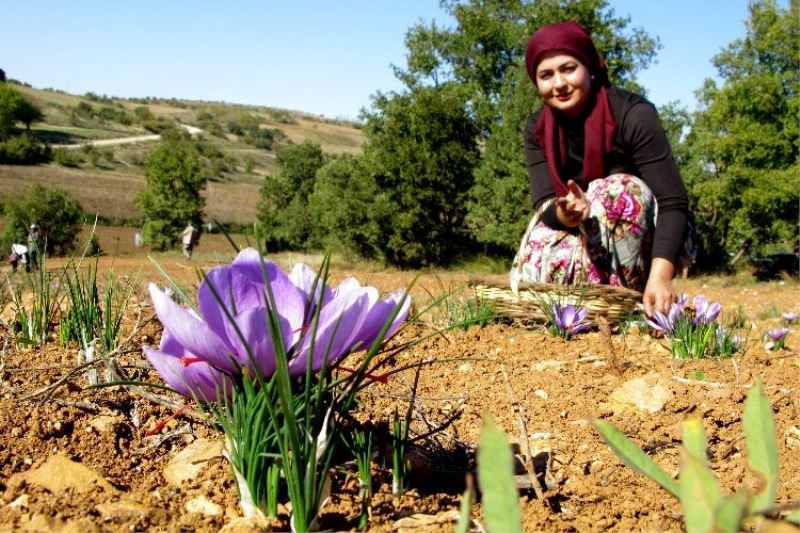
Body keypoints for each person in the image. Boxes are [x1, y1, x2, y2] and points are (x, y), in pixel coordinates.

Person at [510, 21, 690, 317]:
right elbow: (543, 202)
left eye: (568, 68)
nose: (559, 84)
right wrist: (564, 213)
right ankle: (573, 309)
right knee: (541, 234)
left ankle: (628, 299)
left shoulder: (633, 114)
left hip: (645, 231)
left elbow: (673, 203)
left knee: (615, 192)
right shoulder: (537, 129)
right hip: (577, 228)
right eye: (546, 75)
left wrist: (661, 276)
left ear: (590, 67)